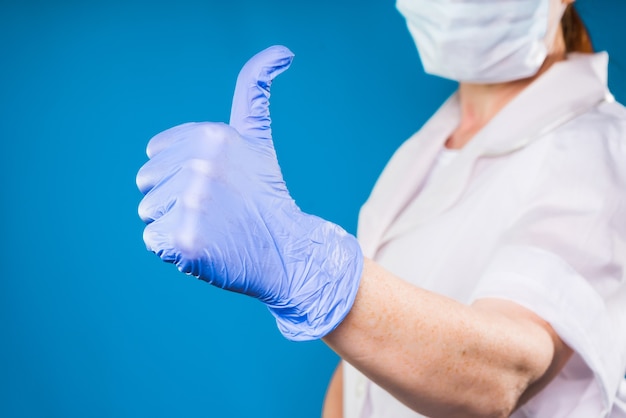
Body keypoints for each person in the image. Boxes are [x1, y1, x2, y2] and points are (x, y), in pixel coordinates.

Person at [136, 0, 626, 416]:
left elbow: (508, 374)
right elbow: (362, 371)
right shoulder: (432, 146)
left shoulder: (603, 149)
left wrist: (310, 271)